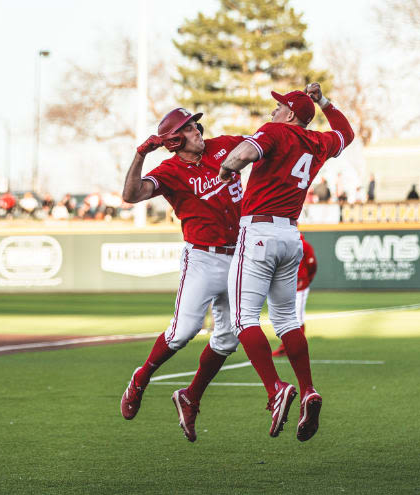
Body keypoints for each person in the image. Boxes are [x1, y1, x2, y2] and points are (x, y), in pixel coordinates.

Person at [218, 82, 354, 441]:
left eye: (278, 107)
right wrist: (323, 101)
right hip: (291, 235)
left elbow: (243, 153)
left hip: (259, 231)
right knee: (286, 319)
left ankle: (275, 388)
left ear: (291, 114)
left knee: (243, 318)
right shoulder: (319, 143)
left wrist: (227, 169)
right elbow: (346, 133)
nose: (273, 112)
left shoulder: (276, 131)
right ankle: (308, 388)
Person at [119, 108, 246, 443]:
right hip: (202, 257)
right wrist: (140, 154)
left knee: (229, 338)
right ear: (175, 139)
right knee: (183, 332)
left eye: (195, 124)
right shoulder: (171, 170)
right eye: (189, 127)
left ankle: (191, 396)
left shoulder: (225, 147)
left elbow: (266, 146)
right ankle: (141, 377)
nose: (198, 130)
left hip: (238, 256)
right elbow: (131, 195)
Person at [272, 232, 317, 357]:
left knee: (297, 317)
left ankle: (295, 349)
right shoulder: (280, 243)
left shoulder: (303, 245)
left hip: (299, 285)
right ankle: (289, 347)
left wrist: (306, 280)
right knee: (284, 317)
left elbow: (312, 265)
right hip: (285, 286)